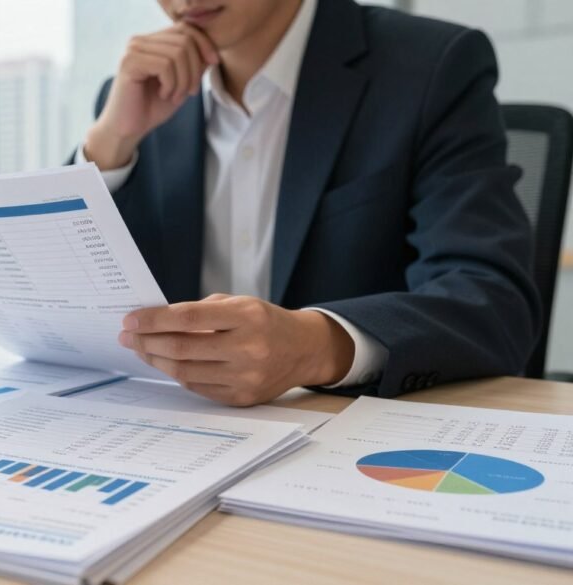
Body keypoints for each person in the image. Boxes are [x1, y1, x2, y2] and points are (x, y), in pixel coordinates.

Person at [75, 0, 541, 406]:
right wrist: (109, 144)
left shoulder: (433, 67)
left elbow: (491, 298)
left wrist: (315, 346)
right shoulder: (138, 97)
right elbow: (65, 304)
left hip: (352, 441)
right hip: (180, 435)